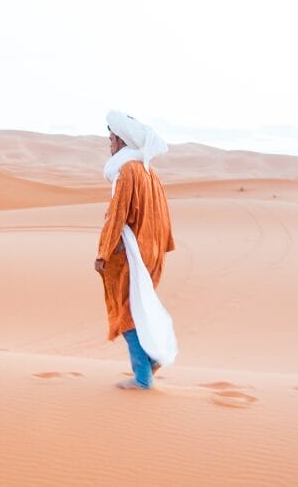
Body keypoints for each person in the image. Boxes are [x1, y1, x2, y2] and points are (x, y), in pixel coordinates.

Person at [94, 110, 175, 389]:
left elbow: (116, 215)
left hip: (130, 252)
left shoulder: (127, 171)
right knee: (138, 308)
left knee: (126, 311)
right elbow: (163, 215)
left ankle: (143, 375)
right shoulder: (148, 170)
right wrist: (161, 248)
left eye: (111, 137)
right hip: (150, 251)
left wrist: (103, 253)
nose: (109, 142)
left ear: (121, 140)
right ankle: (150, 360)